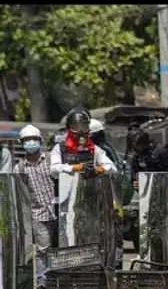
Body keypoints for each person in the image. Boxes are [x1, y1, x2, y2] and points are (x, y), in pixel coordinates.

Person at [50, 108, 116, 247]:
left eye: (84, 127)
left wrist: (98, 169)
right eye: (76, 127)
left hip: (89, 202)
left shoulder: (94, 149)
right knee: (66, 238)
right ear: (68, 128)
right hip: (65, 202)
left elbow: (112, 167)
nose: (80, 131)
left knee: (89, 239)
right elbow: (54, 169)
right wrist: (73, 168)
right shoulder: (60, 148)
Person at [16, 125, 56, 289]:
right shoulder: (19, 168)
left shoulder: (51, 160)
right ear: (22, 143)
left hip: (58, 210)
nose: (30, 143)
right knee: (42, 250)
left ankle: (58, 279)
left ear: (40, 141)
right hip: (38, 213)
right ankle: (42, 282)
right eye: (26, 140)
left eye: (33, 139)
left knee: (63, 249)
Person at [89, 118, 129, 270]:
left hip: (109, 200)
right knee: (113, 236)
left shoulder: (102, 151)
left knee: (111, 237)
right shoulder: (108, 148)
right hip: (113, 200)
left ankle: (113, 270)